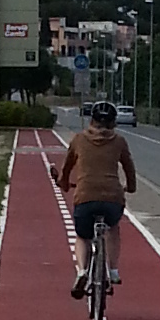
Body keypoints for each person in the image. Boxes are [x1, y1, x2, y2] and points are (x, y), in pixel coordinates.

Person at [58, 97, 136, 299]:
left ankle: (82, 271)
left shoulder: (78, 140)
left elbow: (67, 168)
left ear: (91, 120)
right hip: (113, 197)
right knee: (113, 228)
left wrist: (64, 183)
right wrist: (131, 187)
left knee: (83, 236)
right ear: (113, 122)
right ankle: (113, 270)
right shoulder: (119, 141)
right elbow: (128, 167)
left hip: (85, 195)